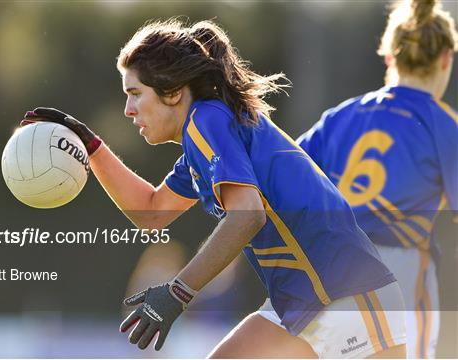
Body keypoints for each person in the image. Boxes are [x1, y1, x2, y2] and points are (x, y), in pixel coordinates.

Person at [22, 19, 406, 358]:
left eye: (135, 93)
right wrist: (92, 147)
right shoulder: (203, 140)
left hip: (349, 297)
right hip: (303, 304)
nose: (128, 109)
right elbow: (152, 211)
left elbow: (247, 215)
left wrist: (178, 292)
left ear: (172, 92)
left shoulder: (205, 120)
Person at [297, 0, 457, 358]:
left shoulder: (339, 116)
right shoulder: (445, 125)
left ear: (388, 57)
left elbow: (283, 178)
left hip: (328, 269)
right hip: (397, 272)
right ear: (446, 59)